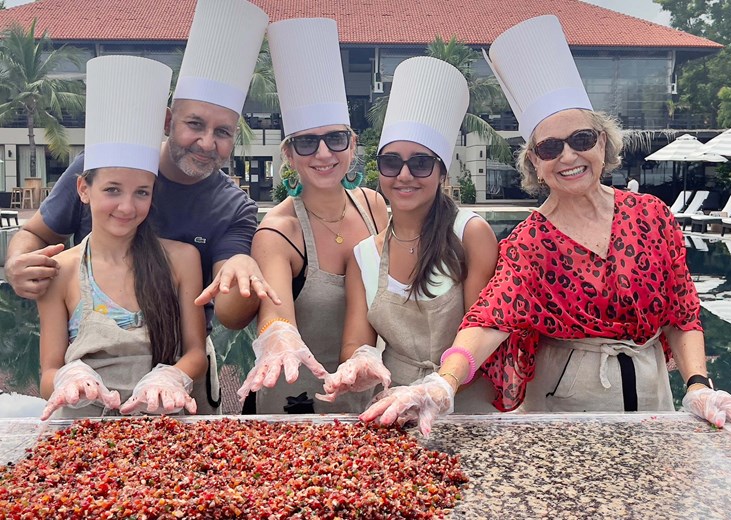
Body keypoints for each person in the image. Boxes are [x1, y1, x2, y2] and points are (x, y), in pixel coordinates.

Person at [361, 15, 731, 440]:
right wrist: (443, 383)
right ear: (534, 163)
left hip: (651, 393)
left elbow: (682, 313)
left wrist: (699, 386)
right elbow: (489, 317)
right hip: (562, 405)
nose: (568, 156)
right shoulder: (529, 241)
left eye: (582, 140)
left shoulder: (651, 215)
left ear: (603, 143)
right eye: (550, 148)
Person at [5, 0, 274, 414]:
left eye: (223, 132)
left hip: (177, 385)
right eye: (195, 124)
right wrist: (18, 262)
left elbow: (226, 309)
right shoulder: (98, 166)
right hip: (87, 406)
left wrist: (243, 272)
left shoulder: (231, 208)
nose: (207, 143)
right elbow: (35, 235)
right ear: (168, 121)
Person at [204, 18, 388, 414]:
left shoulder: (373, 206)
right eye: (307, 142)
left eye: (335, 139)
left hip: (367, 397)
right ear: (289, 154)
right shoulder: (278, 231)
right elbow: (276, 314)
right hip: (294, 402)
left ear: (353, 145)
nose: (323, 154)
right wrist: (279, 334)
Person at [316, 57, 498, 413]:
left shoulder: (470, 233)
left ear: (441, 171)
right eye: (391, 162)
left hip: (467, 402)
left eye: (420, 163)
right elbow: (356, 340)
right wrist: (360, 362)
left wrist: (440, 385)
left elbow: (485, 326)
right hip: (393, 407)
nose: (404, 175)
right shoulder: (364, 255)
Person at [38, 55, 207, 419]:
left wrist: (171, 376)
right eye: (112, 190)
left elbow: (196, 352)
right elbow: (47, 372)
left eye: (141, 193)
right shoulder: (61, 270)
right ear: (83, 189)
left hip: (163, 422)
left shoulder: (181, 260)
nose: (127, 207)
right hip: (82, 432)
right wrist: (70, 377)